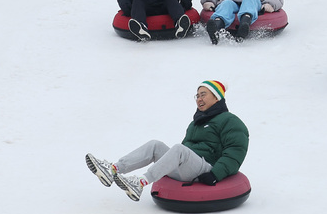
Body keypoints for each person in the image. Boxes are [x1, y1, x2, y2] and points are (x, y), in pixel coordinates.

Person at [85, 80, 249, 202]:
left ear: (216, 97)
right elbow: (187, 149)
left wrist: (215, 174)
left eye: (203, 94)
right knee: (155, 145)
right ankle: (113, 170)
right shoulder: (196, 123)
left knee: (178, 149)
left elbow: (236, 150)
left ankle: (140, 183)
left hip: (207, 168)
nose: (199, 99)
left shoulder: (229, 120)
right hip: (190, 168)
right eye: (197, 95)